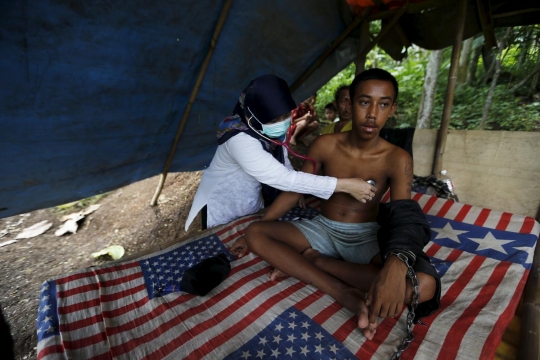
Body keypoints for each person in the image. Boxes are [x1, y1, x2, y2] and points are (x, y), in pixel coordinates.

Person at [231, 69, 439, 339]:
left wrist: (396, 265)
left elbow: (404, 216)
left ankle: (318, 262)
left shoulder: (397, 158)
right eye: (364, 102)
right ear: (348, 104)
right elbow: (296, 189)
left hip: (366, 236)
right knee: (256, 233)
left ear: (393, 109)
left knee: (422, 285)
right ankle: (342, 291)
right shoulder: (325, 145)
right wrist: (262, 225)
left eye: (383, 104)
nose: (373, 113)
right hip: (323, 229)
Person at [185, 74, 376, 231]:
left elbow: (285, 163)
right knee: (225, 243)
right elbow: (283, 178)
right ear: (253, 115)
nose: (283, 123)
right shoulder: (239, 139)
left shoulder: (269, 131)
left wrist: (298, 189)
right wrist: (344, 185)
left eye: (286, 115)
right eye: (275, 119)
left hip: (251, 202)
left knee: (251, 232)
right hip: (223, 206)